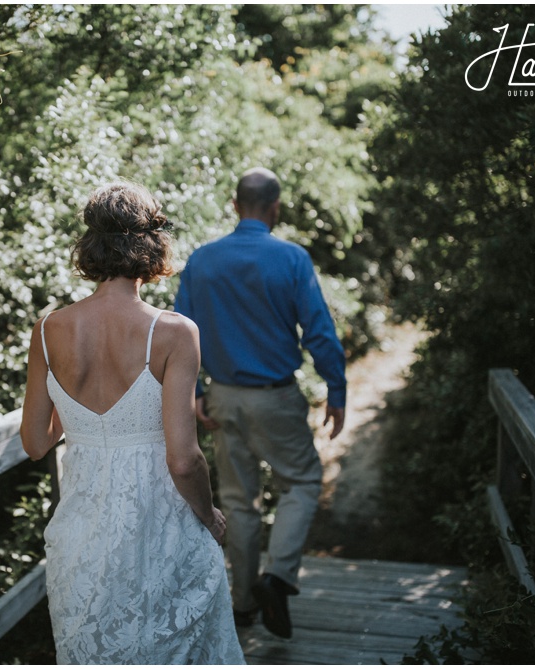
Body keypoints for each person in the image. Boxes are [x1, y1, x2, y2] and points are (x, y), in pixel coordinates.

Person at [20, 182, 245, 665]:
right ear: (151, 242)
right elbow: (183, 459)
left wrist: (83, 418)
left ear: (91, 245)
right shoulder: (173, 331)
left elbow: (36, 441)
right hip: (161, 525)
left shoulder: (48, 329)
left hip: (81, 530)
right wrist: (209, 517)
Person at [174, 167, 347, 640]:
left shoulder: (203, 260)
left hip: (222, 399)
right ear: (275, 208)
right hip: (275, 397)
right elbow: (319, 331)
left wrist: (194, 394)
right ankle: (278, 575)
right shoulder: (291, 258)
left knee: (238, 502)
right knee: (304, 482)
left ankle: (245, 603)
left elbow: (178, 334)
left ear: (235, 206)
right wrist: (337, 389)